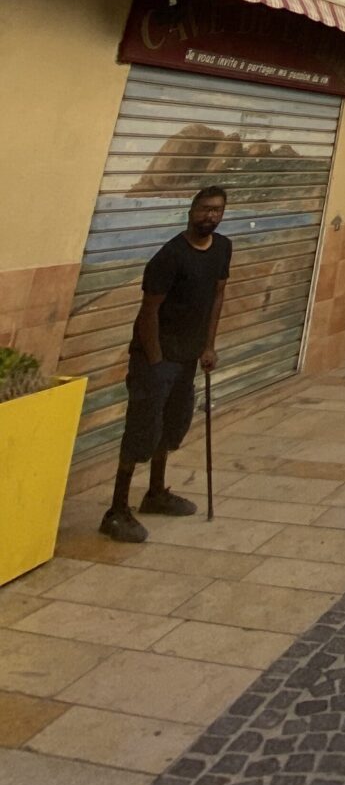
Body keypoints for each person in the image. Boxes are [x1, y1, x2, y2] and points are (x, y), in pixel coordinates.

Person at [100, 185, 231, 544]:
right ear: (191, 211)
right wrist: (155, 360)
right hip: (155, 359)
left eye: (217, 210)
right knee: (141, 431)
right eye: (205, 209)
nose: (211, 216)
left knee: (172, 427)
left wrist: (208, 346)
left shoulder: (222, 248)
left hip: (188, 357)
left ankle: (155, 493)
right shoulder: (169, 256)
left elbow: (217, 296)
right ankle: (116, 510)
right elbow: (148, 312)